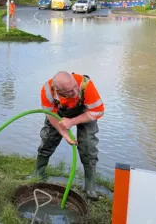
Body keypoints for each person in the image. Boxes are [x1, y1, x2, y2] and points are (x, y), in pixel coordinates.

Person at [28, 71, 104, 201]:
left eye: (75, 86)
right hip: (59, 112)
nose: (75, 92)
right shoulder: (47, 91)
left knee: (88, 146)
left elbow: (98, 111)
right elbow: (50, 114)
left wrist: (72, 121)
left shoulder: (85, 86)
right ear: (58, 91)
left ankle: (90, 187)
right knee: (47, 139)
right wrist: (64, 133)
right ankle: (39, 173)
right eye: (69, 91)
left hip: (85, 113)